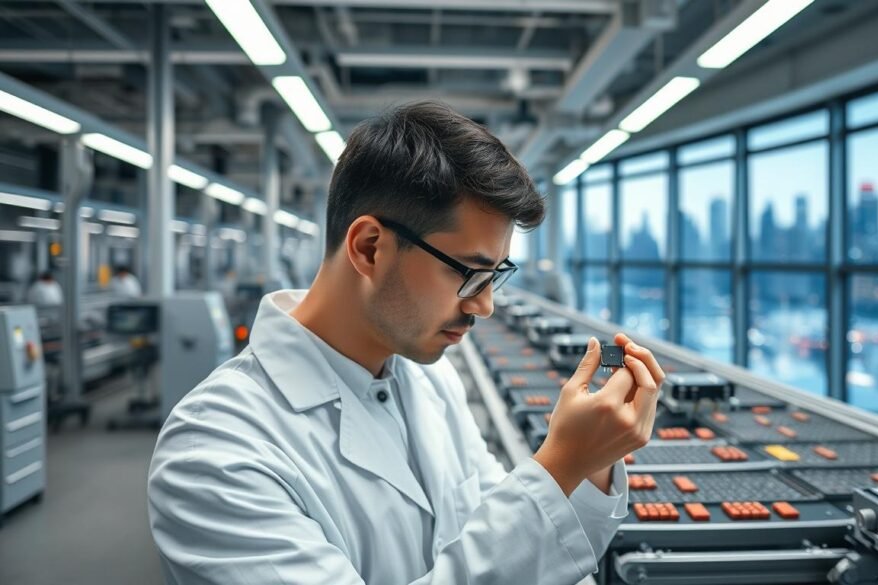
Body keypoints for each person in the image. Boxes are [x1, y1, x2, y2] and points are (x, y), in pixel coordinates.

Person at [147, 101, 664, 585]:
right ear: (370, 247)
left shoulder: (428, 377)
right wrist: (559, 465)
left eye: (495, 276)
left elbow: (502, 530)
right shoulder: (215, 452)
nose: (483, 306)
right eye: (470, 273)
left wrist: (590, 464)